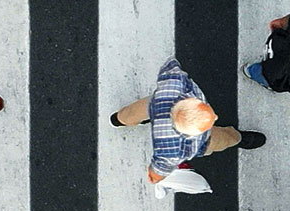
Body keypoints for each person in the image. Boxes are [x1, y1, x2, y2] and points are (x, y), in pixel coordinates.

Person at [113, 57, 263, 184]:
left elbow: (171, 66)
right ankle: (237, 138)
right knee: (223, 139)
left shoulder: (174, 84)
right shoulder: (172, 150)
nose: (215, 117)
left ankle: (119, 119)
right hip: (202, 141)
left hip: (157, 104)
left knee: (132, 112)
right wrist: (155, 177)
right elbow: (157, 171)